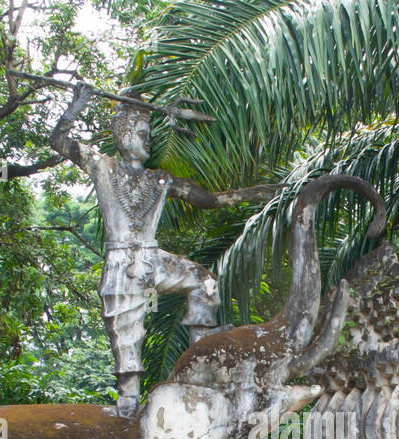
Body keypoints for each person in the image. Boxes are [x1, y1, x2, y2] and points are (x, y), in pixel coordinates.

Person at [50, 88, 280, 418]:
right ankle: (128, 401)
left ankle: (201, 356)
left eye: (150, 135)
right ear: (125, 135)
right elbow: (58, 141)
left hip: (153, 258)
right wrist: (78, 101)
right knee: (127, 342)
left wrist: (251, 194)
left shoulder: (160, 180)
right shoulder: (101, 166)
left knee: (204, 282)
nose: (149, 142)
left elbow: (208, 199)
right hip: (121, 263)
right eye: (143, 135)